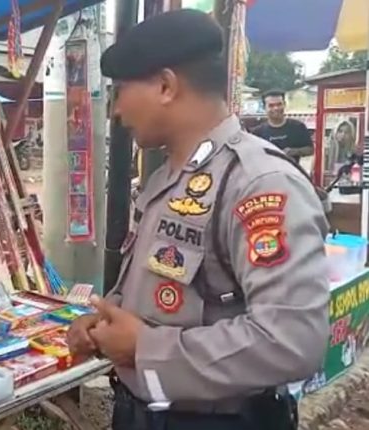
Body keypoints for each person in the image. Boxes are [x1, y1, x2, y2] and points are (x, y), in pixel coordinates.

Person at [67, 9, 329, 430]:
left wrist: (145, 347)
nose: (116, 110)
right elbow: (164, 289)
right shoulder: (166, 179)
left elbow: (292, 341)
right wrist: (105, 321)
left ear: (166, 86)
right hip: (140, 411)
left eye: (121, 91)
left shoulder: (258, 183)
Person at [252, 89, 314, 164]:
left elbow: (310, 149)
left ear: (284, 104)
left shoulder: (298, 127)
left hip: (291, 169)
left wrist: (294, 151)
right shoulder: (257, 132)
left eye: (279, 104)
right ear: (264, 107)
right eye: (271, 105)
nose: (276, 108)